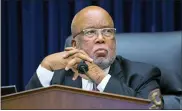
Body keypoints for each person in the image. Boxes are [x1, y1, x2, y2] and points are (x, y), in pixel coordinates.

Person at [26, 6, 163, 108]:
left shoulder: (143, 76)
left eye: (107, 32)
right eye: (90, 32)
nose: (100, 38)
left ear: (114, 40)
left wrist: (98, 76)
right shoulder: (59, 77)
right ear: (75, 44)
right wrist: (45, 65)